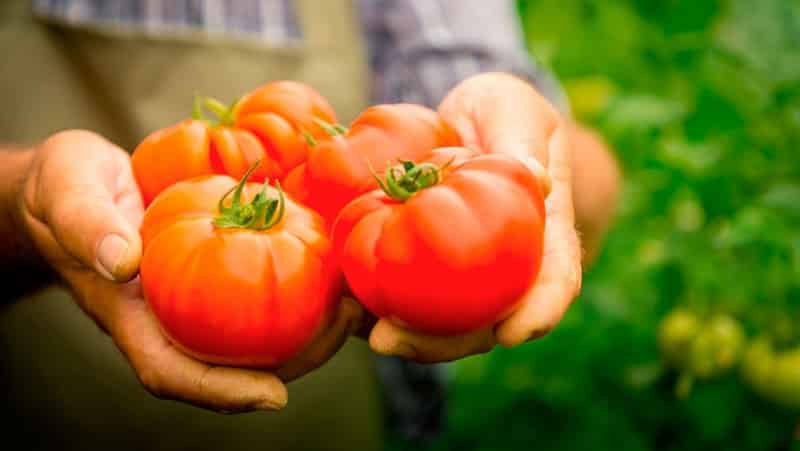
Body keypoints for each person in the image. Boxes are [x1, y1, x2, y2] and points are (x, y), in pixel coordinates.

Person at [0, 0, 619, 449]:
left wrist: (535, 155)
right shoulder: (323, 220)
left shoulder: (356, 213)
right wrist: (20, 201)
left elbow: (531, 160)